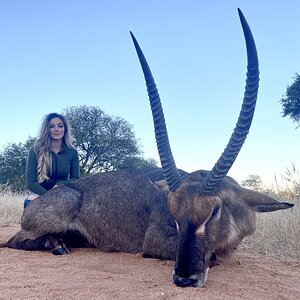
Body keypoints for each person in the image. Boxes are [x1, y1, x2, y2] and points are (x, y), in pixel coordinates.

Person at [24, 113, 80, 208]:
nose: (56, 129)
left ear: (65, 128)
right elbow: (30, 183)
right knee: (29, 203)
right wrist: (49, 196)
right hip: (40, 193)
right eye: (52, 126)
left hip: (63, 192)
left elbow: (76, 179)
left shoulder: (72, 152)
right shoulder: (35, 150)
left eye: (60, 126)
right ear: (47, 130)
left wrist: (61, 184)